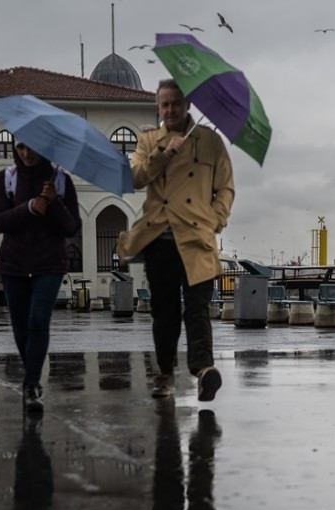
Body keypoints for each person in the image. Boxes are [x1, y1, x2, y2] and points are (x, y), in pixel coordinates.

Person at [117, 78, 235, 402]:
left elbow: (225, 187)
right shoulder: (148, 140)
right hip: (160, 237)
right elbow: (136, 177)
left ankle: (204, 371)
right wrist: (163, 153)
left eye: (176, 103)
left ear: (188, 106)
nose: (170, 109)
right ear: (159, 107)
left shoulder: (210, 141)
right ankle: (165, 372)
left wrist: (215, 219)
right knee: (164, 312)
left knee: (198, 309)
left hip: (197, 237)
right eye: (165, 104)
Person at [0, 140, 81, 413]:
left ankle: (31, 384)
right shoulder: (6, 179)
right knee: (20, 327)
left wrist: (53, 203)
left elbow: (71, 227)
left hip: (49, 264)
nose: (27, 153)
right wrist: (29, 206)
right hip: (13, 265)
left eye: (33, 146)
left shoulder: (61, 181)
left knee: (38, 319)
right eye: (20, 146)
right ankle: (32, 378)